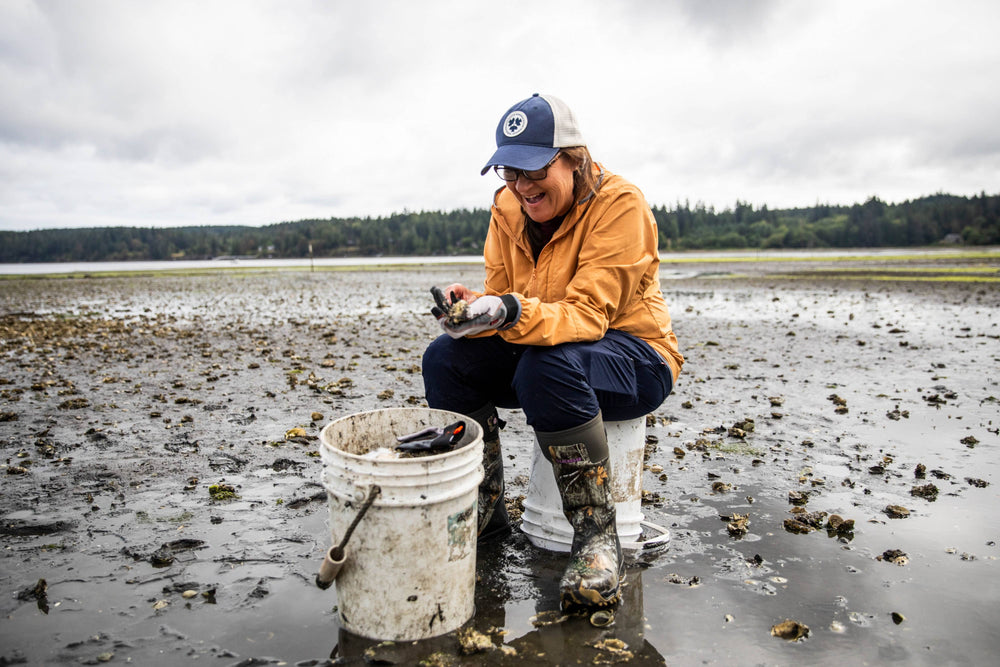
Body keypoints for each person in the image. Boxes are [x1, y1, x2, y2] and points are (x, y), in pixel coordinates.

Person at [422, 93, 683, 610]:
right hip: (544, 343)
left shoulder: (620, 205)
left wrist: (512, 311)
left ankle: (595, 539)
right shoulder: (507, 206)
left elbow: (588, 316)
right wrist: (476, 307)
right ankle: (485, 513)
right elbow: (502, 287)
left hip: (637, 355)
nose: (521, 187)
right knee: (444, 358)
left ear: (574, 157)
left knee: (548, 365)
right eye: (508, 171)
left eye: (533, 169)